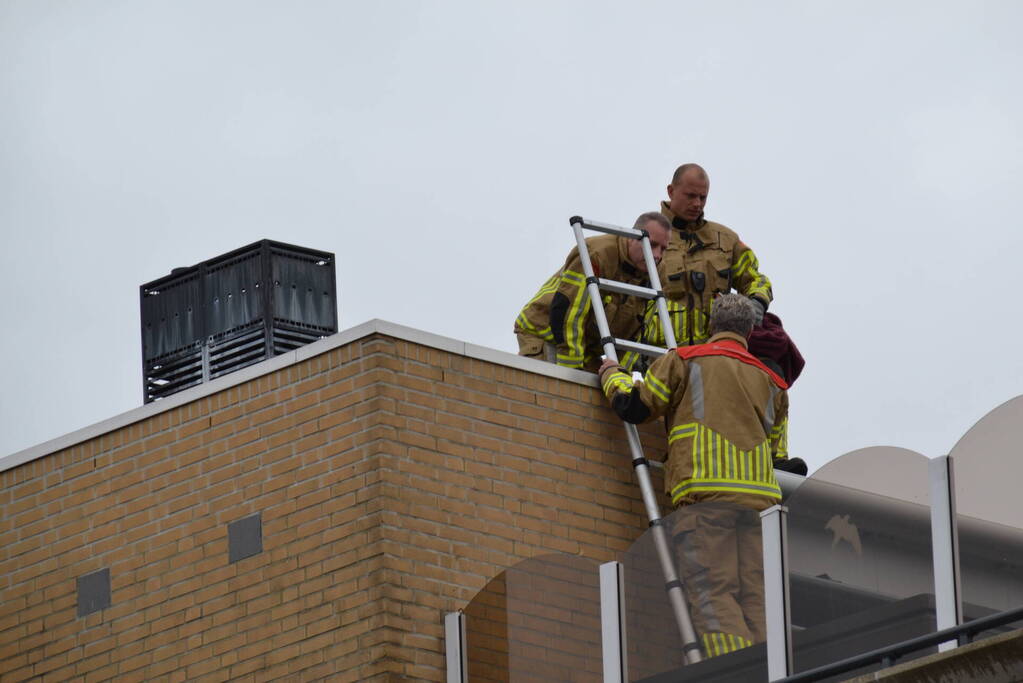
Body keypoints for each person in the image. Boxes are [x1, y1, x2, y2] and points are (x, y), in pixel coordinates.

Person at [598, 294, 792, 657]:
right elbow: (777, 452)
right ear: (749, 331)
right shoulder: (773, 383)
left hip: (706, 499)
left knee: (713, 596)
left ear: (710, 326)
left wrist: (613, 376)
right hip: (759, 508)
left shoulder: (685, 360)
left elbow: (637, 406)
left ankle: (735, 671)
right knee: (759, 601)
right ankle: (770, 669)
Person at [515, 212, 671, 371]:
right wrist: (571, 371)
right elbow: (569, 313)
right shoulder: (597, 254)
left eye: (664, 249)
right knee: (555, 390)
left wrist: (621, 377)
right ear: (631, 237)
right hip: (545, 331)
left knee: (602, 386)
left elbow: (638, 336)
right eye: (651, 245)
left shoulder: (658, 274)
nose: (657, 255)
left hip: (586, 344)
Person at [645, 164, 773, 348]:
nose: (697, 203)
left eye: (702, 197)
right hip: (662, 357)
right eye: (690, 196)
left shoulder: (727, 240)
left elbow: (756, 279)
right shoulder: (648, 236)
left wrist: (756, 304)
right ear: (671, 191)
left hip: (713, 355)